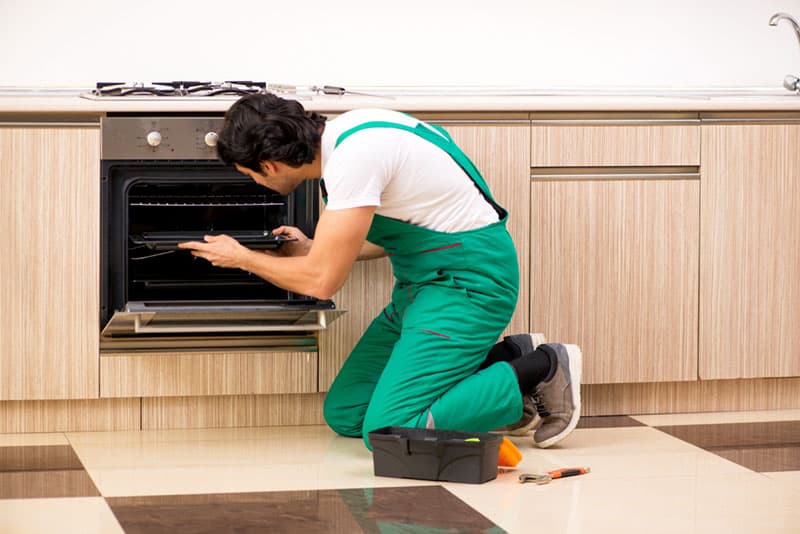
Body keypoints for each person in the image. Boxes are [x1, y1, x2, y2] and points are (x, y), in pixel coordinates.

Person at [178, 94, 582, 449]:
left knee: (391, 431)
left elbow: (322, 281)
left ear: (268, 164)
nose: (255, 183)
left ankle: (542, 368)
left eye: (249, 175)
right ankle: (510, 356)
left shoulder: (354, 160)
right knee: (347, 414)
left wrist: (243, 258)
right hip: (423, 286)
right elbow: (411, 229)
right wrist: (319, 248)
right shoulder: (349, 134)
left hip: (469, 285)